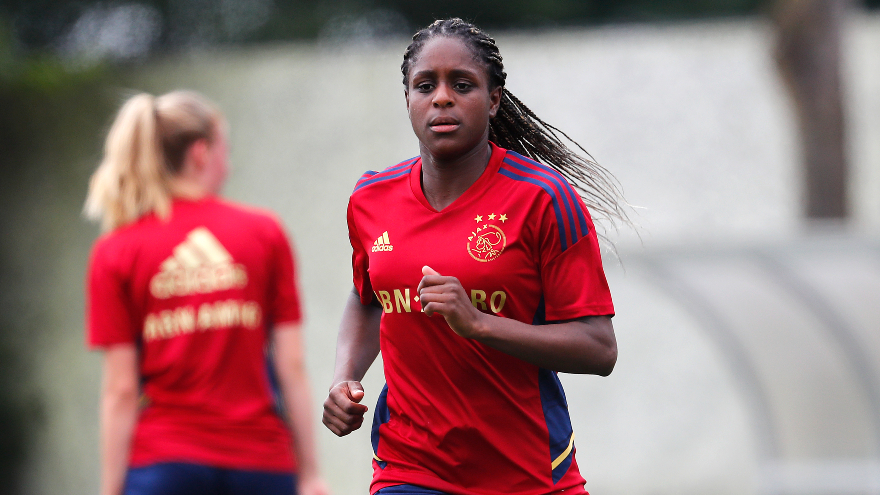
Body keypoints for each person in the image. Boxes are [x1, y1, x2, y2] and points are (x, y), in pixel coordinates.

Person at [322, 18, 631, 495]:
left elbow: (599, 348)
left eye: (462, 85)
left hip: (528, 473)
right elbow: (367, 298)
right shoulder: (371, 198)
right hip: (409, 469)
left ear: (493, 100)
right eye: (425, 85)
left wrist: (480, 324)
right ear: (408, 100)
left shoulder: (544, 198)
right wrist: (344, 379)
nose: (442, 98)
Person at [84, 90, 329, 495]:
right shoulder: (265, 232)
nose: (227, 165)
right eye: (224, 150)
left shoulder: (115, 250)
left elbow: (121, 390)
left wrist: (111, 489)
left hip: (165, 467)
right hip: (260, 463)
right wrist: (311, 474)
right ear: (201, 153)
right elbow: (291, 366)